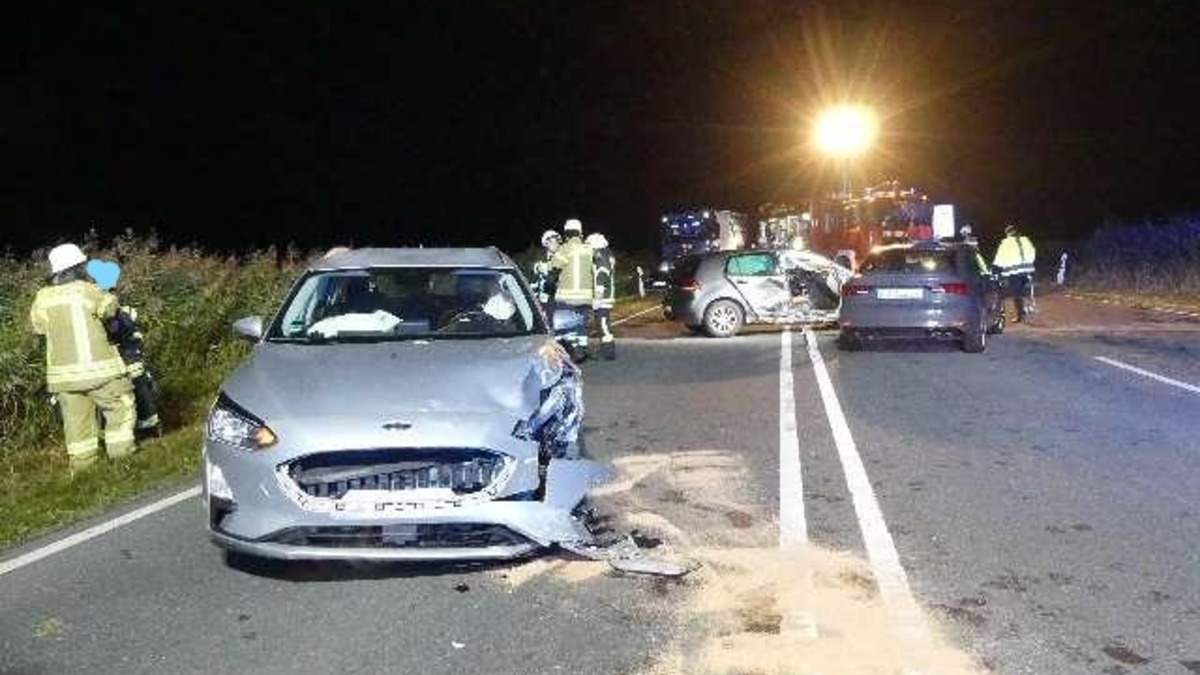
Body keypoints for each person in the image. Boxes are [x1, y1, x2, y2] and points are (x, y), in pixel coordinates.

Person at [30, 244, 137, 474]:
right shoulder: (89, 290)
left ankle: (84, 471)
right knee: (120, 409)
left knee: (77, 427)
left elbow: (38, 327)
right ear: (78, 267)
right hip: (101, 372)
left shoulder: (42, 299)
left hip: (64, 379)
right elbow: (111, 311)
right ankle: (122, 462)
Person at [86, 260, 160, 437]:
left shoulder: (115, 308)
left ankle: (146, 428)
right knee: (131, 391)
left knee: (136, 389)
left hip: (127, 356)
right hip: (124, 356)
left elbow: (117, 329)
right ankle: (143, 427)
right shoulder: (112, 306)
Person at [549, 219, 595, 350]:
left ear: (566, 234)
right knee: (581, 324)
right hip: (586, 298)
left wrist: (550, 287)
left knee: (567, 325)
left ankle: (571, 352)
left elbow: (553, 272)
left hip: (567, 298)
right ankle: (583, 349)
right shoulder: (589, 249)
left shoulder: (564, 249)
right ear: (580, 233)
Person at [992, 223, 1037, 322]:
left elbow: (999, 259)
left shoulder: (1006, 243)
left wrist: (994, 270)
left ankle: (1020, 316)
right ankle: (1025, 309)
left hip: (1014, 273)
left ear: (1008, 233)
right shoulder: (1025, 240)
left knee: (1016, 294)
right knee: (1021, 291)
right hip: (1027, 271)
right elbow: (1033, 252)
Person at [585, 233, 616, 360]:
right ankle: (606, 349)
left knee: (603, 325)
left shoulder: (600, 256)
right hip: (606, 296)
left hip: (603, 298)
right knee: (603, 324)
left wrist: (598, 297)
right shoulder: (608, 254)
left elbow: (601, 275)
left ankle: (608, 352)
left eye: (589, 245)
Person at [531, 230, 561, 304]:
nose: (556, 244)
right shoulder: (538, 257)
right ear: (546, 243)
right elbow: (532, 278)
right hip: (536, 300)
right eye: (552, 242)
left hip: (552, 302)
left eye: (557, 242)